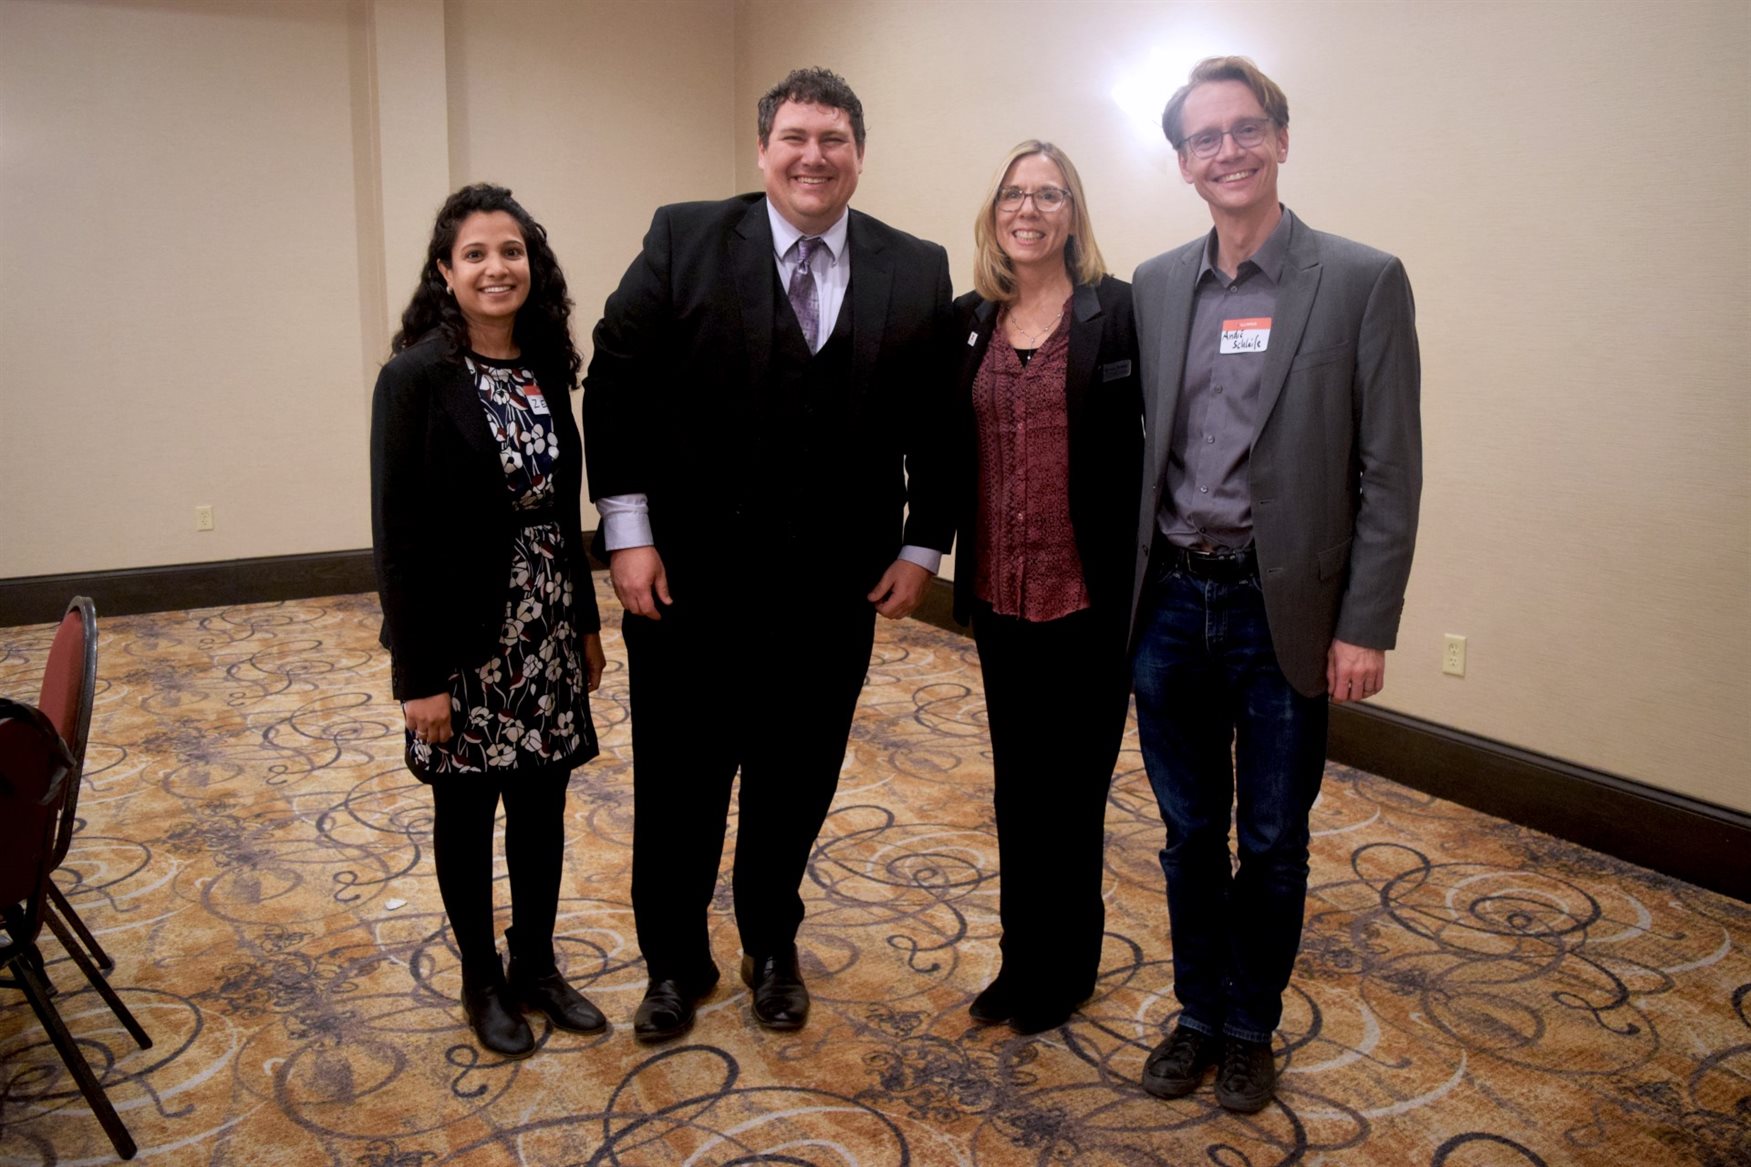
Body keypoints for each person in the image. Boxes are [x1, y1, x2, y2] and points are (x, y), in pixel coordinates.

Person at [582, 67, 954, 1042]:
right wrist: (627, 533)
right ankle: (673, 964)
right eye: (794, 137)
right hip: (686, 585)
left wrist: (922, 543)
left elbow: (939, 427)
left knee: (795, 779)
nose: (812, 156)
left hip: (833, 592)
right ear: (761, 150)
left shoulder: (913, 267)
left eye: (833, 139)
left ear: (858, 156)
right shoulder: (685, 237)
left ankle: (769, 945)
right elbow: (613, 383)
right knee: (679, 784)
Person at [1128, 57, 1421, 1112]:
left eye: (1245, 128)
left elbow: (1388, 468)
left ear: (1281, 139)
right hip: (1168, 601)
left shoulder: (1357, 279)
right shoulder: (1158, 285)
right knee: (1184, 832)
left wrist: (1364, 625)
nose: (1227, 150)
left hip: (1280, 607)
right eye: (1204, 138)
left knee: (1272, 839)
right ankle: (1196, 1012)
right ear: (1181, 164)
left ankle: (1250, 1024)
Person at [370, 183, 609, 1058]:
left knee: (542, 806)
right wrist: (417, 677)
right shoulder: (414, 378)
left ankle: (537, 966)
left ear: (530, 265)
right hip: (461, 639)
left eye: (510, 251)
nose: (495, 267)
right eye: (474, 253)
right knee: (467, 816)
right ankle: (482, 978)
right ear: (445, 270)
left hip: (545, 629)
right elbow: (395, 538)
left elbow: (560, 509)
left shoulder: (547, 365)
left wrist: (585, 621)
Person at [949, 141, 1140, 1034]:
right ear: (994, 212)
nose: (1029, 209)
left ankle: (1068, 967)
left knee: (1075, 789)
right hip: (997, 596)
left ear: (1073, 213)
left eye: (1049, 194)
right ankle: (1019, 960)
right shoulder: (967, 321)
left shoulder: (1121, 315)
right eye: (1014, 194)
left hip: (1086, 600)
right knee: (1017, 788)